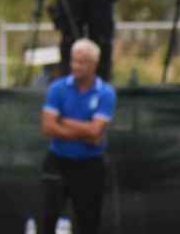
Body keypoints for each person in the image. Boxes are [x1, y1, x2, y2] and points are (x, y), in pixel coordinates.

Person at [40, 39, 116, 234]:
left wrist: (64, 121)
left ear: (94, 64)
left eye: (81, 62)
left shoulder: (106, 93)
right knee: (48, 218)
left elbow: (95, 132)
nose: (76, 66)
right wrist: (85, 131)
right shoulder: (57, 88)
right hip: (58, 162)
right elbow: (48, 127)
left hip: (90, 166)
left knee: (88, 222)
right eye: (74, 60)